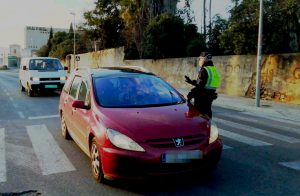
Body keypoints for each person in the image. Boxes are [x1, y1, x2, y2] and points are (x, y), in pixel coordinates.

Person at [184, 51, 221, 118]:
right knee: (207, 116)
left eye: (200, 59)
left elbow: (199, 87)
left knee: (198, 118)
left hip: (201, 99)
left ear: (204, 59)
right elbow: (206, 84)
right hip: (209, 97)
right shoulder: (214, 69)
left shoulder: (204, 70)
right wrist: (192, 82)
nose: (199, 61)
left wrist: (189, 96)